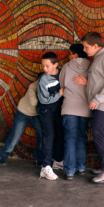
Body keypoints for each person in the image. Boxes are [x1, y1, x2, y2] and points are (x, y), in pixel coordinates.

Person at [74, 32, 104, 184]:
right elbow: (101, 80)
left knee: (98, 132)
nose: (85, 50)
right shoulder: (100, 57)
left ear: (95, 46)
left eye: (86, 47)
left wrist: (98, 99)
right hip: (103, 102)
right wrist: (87, 83)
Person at [59, 44, 92, 181]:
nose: (68, 56)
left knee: (70, 139)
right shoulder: (91, 66)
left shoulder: (66, 67)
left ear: (76, 55)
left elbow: (61, 84)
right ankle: (81, 167)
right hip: (85, 109)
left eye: (70, 53)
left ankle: (69, 171)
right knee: (80, 138)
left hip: (70, 108)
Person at [0, 78, 44, 166]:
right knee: (15, 137)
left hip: (35, 115)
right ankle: (2, 156)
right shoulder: (32, 87)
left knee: (42, 135)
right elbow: (34, 103)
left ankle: (39, 159)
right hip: (23, 112)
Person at [37, 52, 64, 180]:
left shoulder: (63, 73)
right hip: (46, 112)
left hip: (59, 111)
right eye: (43, 66)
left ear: (55, 65)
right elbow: (44, 100)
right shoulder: (43, 79)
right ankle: (45, 167)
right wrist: (60, 93)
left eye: (47, 66)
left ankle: (58, 161)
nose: (45, 69)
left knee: (63, 135)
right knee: (48, 137)